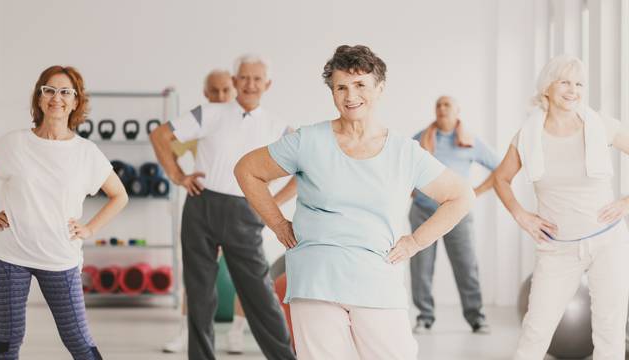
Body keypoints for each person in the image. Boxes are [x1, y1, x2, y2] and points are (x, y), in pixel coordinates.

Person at [234, 45, 475, 359]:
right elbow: (247, 170)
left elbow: (460, 196)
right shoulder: (307, 141)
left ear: (379, 88)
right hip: (316, 279)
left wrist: (415, 241)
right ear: (332, 92)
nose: (350, 96)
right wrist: (278, 224)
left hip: (377, 279)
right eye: (341, 87)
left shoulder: (405, 151)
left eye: (360, 85)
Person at [150, 55, 297, 360]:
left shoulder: (279, 127)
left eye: (257, 79)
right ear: (234, 81)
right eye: (244, 77)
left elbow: (306, 169)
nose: (250, 84)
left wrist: (270, 203)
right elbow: (160, 135)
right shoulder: (210, 113)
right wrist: (178, 176)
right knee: (200, 293)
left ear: (267, 84)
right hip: (201, 208)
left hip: (245, 214)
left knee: (259, 293)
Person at [493, 55, 629, 359]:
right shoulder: (527, 135)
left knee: (610, 327)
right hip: (558, 248)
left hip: (608, 240)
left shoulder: (599, 124)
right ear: (547, 88)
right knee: (536, 329)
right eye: (565, 82)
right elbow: (501, 179)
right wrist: (521, 215)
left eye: (579, 84)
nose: (573, 90)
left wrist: (625, 203)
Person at [0, 65, 128, 359]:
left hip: (60, 258)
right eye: (49, 90)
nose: (57, 97)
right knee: (7, 341)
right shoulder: (13, 143)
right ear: (39, 98)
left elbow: (119, 195)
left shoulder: (86, 153)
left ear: (76, 101)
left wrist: (89, 229)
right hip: (11, 256)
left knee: (78, 340)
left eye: (65, 92)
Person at [163, 69, 251, 355]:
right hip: (206, 210)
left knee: (244, 275)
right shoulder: (199, 124)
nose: (221, 96)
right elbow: (167, 144)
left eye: (226, 90)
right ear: (205, 93)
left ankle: (237, 332)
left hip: (241, 208)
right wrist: (180, 176)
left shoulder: (247, 122)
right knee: (197, 274)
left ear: (236, 88)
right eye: (214, 91)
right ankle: (187, 330)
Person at [410, 96, 499, 334]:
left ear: (457, 110)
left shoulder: (470, 142)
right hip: (422, 212)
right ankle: (424, 316)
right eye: (437, 104)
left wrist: (475, 192)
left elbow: (501, 167)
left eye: (446, 104)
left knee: (466, 265)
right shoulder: (420, 139)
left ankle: (476, 317)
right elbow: (399, 166)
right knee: (421, 267)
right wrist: (409, 191)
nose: (441, 108)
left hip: (458, 214)